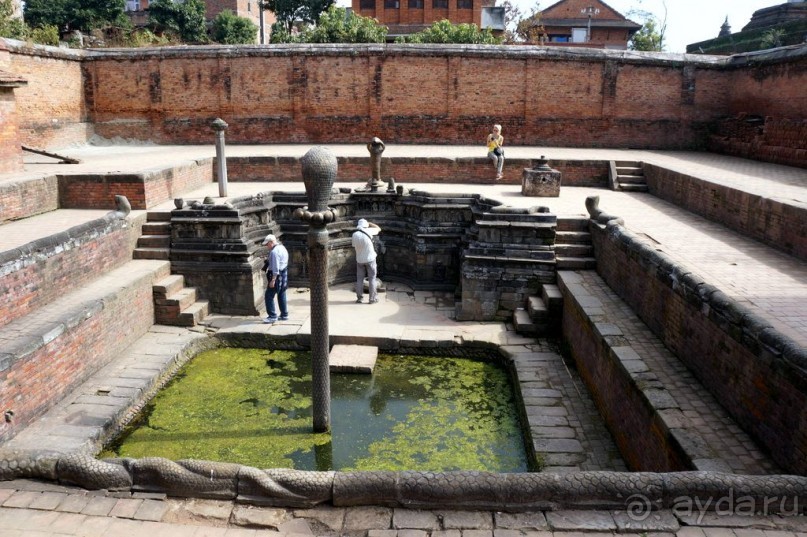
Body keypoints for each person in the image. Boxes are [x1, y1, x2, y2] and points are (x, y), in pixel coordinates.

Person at [352, 218, 381, 304]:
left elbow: (354, 246)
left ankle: (359, 298)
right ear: (366, 225)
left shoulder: (354, 234)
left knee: (359, 279)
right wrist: (370, 223)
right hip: (370, 259)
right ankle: (372, 299)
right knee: (372, 278)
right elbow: (379, 228)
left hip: (360, 260)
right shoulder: (369, 231)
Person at [262, 234, 289, 324]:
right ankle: (284, 315)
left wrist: (273, 280)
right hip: (284, 273)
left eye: (267, 244)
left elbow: (276, 268)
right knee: (282, 294)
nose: (267, 246)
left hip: (276, 276)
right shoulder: (282, 247)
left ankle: (272, 316)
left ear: (271, 242)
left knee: (268, 295)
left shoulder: (274, 252)